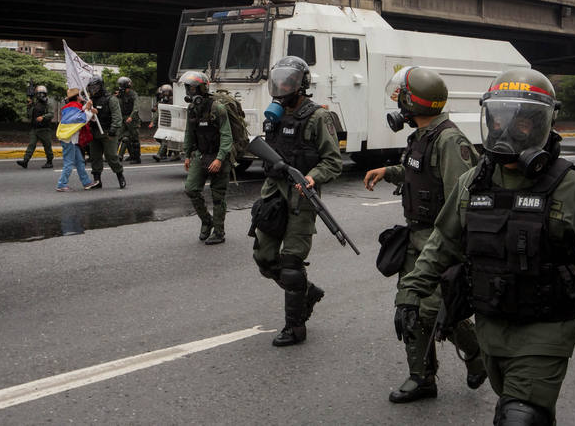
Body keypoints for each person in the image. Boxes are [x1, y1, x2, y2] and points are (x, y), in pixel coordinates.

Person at [399, 68, 575, 424]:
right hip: (491, 326)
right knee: (519, 408)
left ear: (543, 124)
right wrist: (411, 293)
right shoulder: (472, 182)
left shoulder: (572, 189)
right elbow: (442, 242)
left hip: (546, 331)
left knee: (520, 417)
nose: (505, 132)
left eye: (521, 124)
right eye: (499, 121)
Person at [363, 67, 486, 403]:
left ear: (411, 101)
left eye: (401, 95)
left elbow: (460, 200)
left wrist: (451, 250)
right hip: (416, 238)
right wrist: (390, 171)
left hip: (439, 242)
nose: (398, 101)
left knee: (429, 311)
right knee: (420, 307)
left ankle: (474, 359)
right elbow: (422, 172)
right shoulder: (424, 136)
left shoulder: (449, 140)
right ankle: (424, 377)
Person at [252, 56, 342, 347]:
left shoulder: (318, 117)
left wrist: (313, 178)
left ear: (301, 84)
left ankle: (295, 327)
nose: (282, 86)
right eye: (279, 80)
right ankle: (308, 291)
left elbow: (333, 162)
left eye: (289, 81)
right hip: (272, 194)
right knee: (265, 260)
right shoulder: (274, 116)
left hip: (302, 198)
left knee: (291, 264)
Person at [180, 71, 233, 245]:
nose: (191, 92)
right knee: (191, 189)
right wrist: (187, 154)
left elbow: (227, 136)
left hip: (219, 156)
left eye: (194, 88)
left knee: (218, 196)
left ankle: (219, 232)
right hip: (200, 155)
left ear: (203, 88)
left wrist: (219, 159)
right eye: (189, 88)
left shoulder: (218, 108)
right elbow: (189, 133)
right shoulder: (192, 109)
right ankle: (206, 221)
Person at [86, 75, 126, 188]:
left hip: (108, 132)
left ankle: (120, 176)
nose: (93, 89)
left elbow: (117, 116)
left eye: (96, 86)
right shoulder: (90, 100)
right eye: (91, 87)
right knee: (95, 157)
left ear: (101, 86)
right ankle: (97, 180)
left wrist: (113, 130)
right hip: (94, 131)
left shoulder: (111, 99)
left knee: (111, 156)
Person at [56, 89, 97, 192]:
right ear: (77, 97)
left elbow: (80, 113)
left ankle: (86, 183)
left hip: (71, 139)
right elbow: (81, 119)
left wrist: (89, 110)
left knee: (79, 162)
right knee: (69, 163)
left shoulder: (71, 107)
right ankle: (61, 184)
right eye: (80, 95)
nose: (82, 97)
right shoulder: (72, 107)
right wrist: (88, 110)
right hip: (69, 139)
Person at [17, 85, 54, 169]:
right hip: (35, 128)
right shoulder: (35, 103)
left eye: (42, 93)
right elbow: (29, 115)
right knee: (31, 145)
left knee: (47, 146)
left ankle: (49, 162)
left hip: (44, 128)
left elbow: (51, 114)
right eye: (38, 93)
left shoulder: (48, 103)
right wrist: (29, 106)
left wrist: (43, 117)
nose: (40, 95)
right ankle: (25, 161)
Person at [117, 77, 142, 164]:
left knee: (134, 139)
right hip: (123, 118)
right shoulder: (121, 94)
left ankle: (137, 158)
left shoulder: (133, 94)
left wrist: (131, 117)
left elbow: (136, 107)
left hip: (132, 119)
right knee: (120, 137)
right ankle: (128, 155)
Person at [151, 84, 178, 162]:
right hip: (163, 122)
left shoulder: (174, 100)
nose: (162, 95)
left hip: (171, 122)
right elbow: (155, 108)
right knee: (158, 137)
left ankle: (160, 155)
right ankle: (175, 154)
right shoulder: (162, 101)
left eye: (163, 93)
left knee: (165, 139)